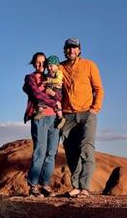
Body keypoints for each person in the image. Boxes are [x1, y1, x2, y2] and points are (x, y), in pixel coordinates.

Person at [59, 38, 104, 198]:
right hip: (68, 116)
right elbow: (51, 84)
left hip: (87, 114)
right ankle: (76, 186)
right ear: (64, 50)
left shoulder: (89, 65)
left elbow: (98, 88)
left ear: (79, 50)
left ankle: (85, 187)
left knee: (86, 148)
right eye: (68, 48)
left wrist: (95, 109)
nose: (71, 50)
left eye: (74, 48)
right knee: (71, 152)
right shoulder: (60, 68)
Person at [23, 52, 61, 197]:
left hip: (53, 118)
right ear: (33, 63)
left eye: (43, 62)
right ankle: (33, 185)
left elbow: (59, 95)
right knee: (40, 151)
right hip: (39, 116)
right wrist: (53, 102)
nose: (40, 65)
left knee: (51, 153)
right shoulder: (30, 78)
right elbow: (36, 94)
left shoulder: (50, 77)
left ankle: (45, 184)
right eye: (37, 62)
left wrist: (53, 96)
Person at [33, 55, 66, 129]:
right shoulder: (48, 73)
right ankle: (40, 110)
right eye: (48, 66)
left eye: (51, 66)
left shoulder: (58, 72)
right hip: (49, 89)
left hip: (57, 89)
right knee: (42, 97)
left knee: (57, 102)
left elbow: (58, 80)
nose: (49, 68)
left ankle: (60, 117)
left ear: (57, 65)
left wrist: (49, 81)